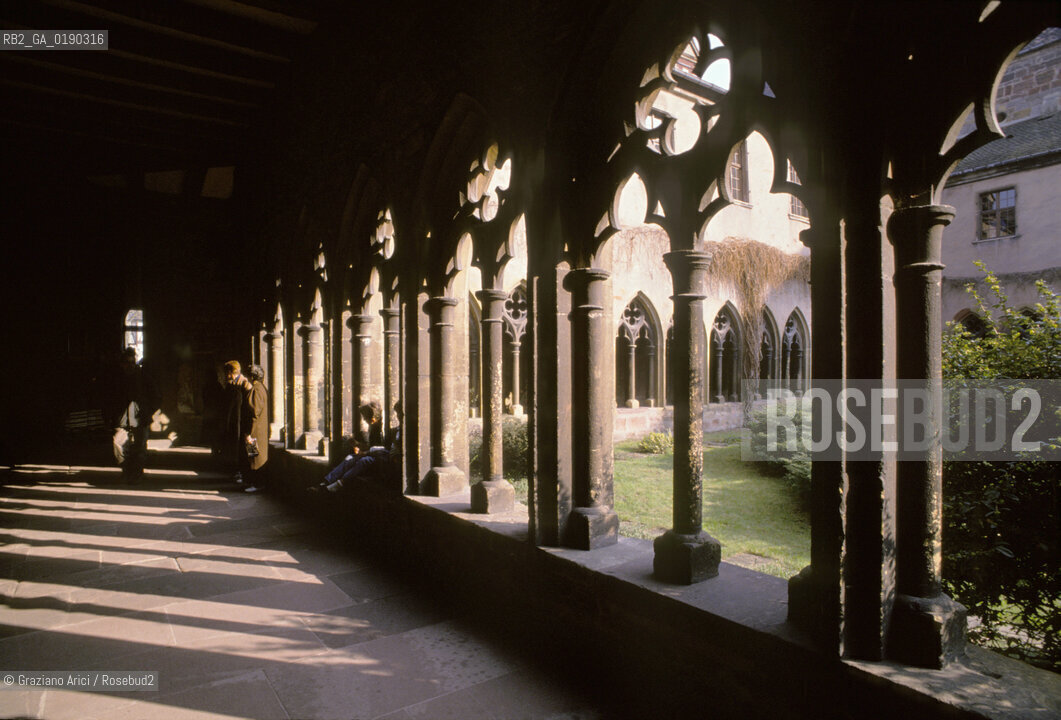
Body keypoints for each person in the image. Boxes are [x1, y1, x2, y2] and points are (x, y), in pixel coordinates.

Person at [316, 401, 401, 492]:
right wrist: (357, 444)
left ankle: (339, 483)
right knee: (350, 458)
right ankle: (326, 481)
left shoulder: (385, 430)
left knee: (364, 460)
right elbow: (371, 446)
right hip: (373, 455)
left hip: (381, 459)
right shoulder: (373, 428)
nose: (364, 420)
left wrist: (365, 452)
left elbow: (384, 449)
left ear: (372, 419)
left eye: (365, 418)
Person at [111, 348, 158, 482]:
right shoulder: (117, 379)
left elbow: (156, 395)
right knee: (118, 443)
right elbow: (110, 397)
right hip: (122, 418)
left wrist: (148, 410)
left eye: (132, 362)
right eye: (127, 362)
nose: (130, 365)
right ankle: (126, 469)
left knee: (140, 448)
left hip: (140, 417)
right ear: (122, 364)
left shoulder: (144, 377)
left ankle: (136, 474)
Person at [241, 364, 270, 493]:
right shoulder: (262, 388)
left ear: (252, 376)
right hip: (259, 430)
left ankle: (257, 484)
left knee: (255, 457)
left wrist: (249, 433)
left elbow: (254, 412)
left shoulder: (256, 390)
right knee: (255, 456)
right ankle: (256, 483)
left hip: (255, 431)